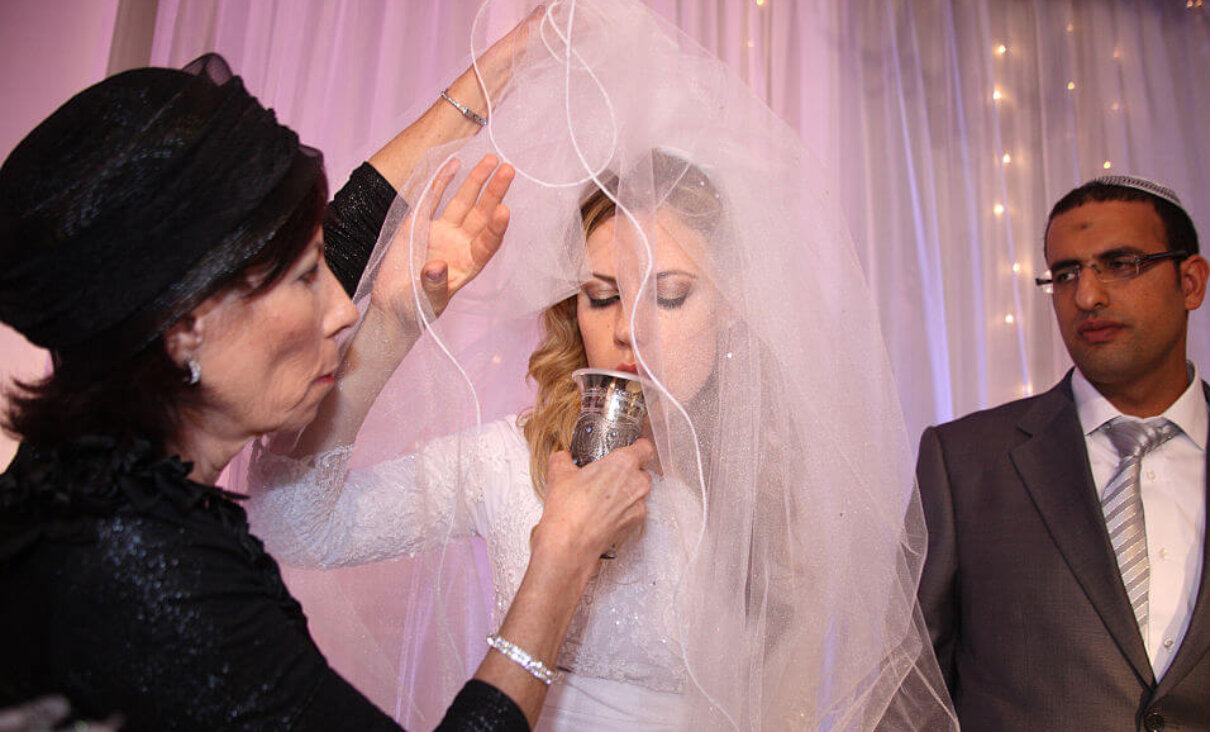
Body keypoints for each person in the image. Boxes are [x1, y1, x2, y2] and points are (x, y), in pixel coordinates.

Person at [243, 1, 956, 730]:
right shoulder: (515, 461)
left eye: (672, 297)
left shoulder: (769, 487)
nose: (632, 332)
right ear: (569, 312)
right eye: (602, 297)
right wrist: (393, 324)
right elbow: (296, 526)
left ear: (734, 307)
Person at [0, 41, 655, 729]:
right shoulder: (149, 578)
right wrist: (556, 567)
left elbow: (343, 233)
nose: (344, 309)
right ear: (187, 324)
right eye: (308, 277)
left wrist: (487, 84)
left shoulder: (76, 478)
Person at [915, 175, 1210, 731]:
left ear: (1191, 282)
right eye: (1066, 273)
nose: (1087, 296)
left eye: (1121, 264)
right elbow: (911, 693)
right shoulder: (964, 464)